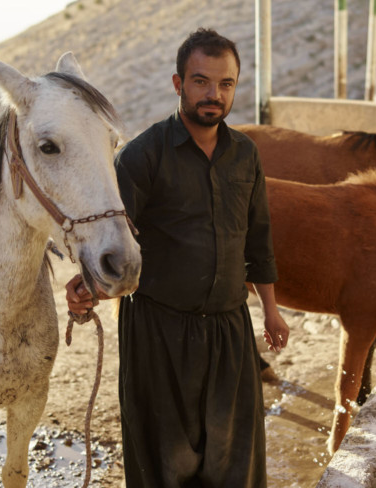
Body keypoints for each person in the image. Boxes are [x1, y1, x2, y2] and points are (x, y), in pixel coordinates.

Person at [65, 27, 289, 487]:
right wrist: (87, 289)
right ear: (178, 84)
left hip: (229, 330)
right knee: (166, 463)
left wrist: (270, 309)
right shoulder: (142, 157)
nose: (214, 94)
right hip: (158, 332)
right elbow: (111, 241)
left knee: (234, 464)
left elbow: (258, 240)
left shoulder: (246, 155)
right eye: (202, 81)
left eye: (225, 84)